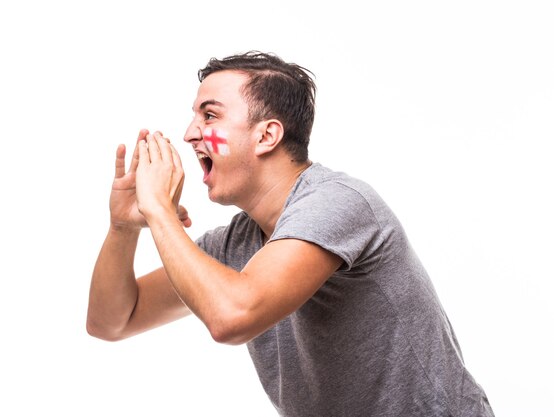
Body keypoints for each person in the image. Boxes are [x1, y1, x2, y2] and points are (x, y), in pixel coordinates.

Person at [87, 51, 494, 417]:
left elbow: (231, 317)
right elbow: (112, 322)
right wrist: (123, 228)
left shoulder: (336, 203)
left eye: (209, 116)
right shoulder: (235, 244)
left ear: (267, 135)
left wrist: (160, 211)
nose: (190, 133)